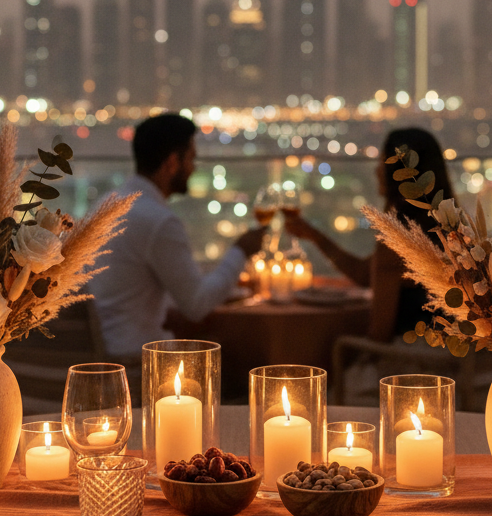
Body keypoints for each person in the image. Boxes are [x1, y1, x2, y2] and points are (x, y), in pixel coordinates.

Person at [89, 114, 267, 357]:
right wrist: (241, 250)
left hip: (96, 351)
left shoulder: (107, 204)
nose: (193, 168)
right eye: (191, 158)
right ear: (173, 162)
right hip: (134, 360)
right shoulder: (158, 222)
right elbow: (196, 305)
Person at [284, 127, 455, 342]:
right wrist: (316, 237)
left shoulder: (400, 242)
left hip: (409, 365)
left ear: (399, 175)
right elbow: (366, 274)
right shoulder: (455, 230)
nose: (376, 171)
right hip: (450, 362)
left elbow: (379, 334)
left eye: (382, 162)